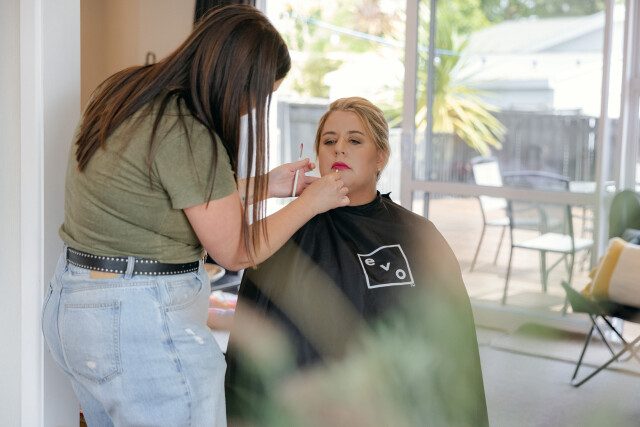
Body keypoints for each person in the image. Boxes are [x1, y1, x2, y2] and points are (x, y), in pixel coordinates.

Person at [41, 5, 349, 427]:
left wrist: (265, 184)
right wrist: (310, 203)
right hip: (137, 323)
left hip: (76, 310)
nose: (253, 109)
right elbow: (236, 251)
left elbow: (161, 189)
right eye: (261, 95)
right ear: (239, 81)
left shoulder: (125, 91)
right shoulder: (189, 132)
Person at [225, 97, 489, 425]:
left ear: (380, 157)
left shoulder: (419, 236)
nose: (339, 149)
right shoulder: (285, 232)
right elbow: (251, 363)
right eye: (329, 141)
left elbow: (452, 344)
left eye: (354, 140)